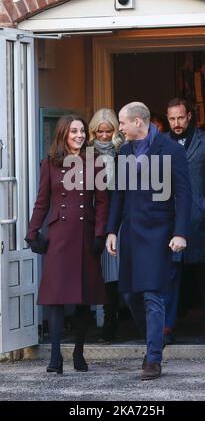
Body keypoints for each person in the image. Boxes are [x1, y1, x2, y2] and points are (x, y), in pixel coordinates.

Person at [106, 101, 191, 380]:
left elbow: (183, 194)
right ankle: (155, 341)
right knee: (130, 295)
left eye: (122, 122)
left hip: (158, 233)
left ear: (138, 122)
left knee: (153, 294)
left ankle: (153, 358)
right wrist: (111, 231)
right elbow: (118, 195)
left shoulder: (171, 150)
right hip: (130, 232)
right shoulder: (125, 151)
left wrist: (180, 232)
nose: (120, 128)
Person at [25, 115, 108, 374]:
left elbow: (103, 202)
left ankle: (79, 353)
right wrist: (32, 231)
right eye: (74, 131)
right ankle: (55, 356)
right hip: (58, 236)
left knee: (83, 297)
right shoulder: (49, 163)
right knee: (56, 297)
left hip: (85, 235)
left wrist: (99, 235)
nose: (80, 135)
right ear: (63, 134)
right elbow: (42, 200)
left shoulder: (95, 162)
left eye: (82, 131)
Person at [164, 98, 205, 342]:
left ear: (189, 116)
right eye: (172, 119)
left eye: (180, 117)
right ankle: (168, 324)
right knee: (171, 273)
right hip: (170, 218)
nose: (176, 123)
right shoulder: (161, 143)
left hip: (201, 218)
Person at [89, 108, 124, 342]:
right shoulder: (86, 153)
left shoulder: (123, 152)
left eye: (108, 130)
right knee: (100, 271)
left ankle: (114, 320)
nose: (103, 135)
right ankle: (106, 322)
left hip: (119, 215)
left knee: (118, 270)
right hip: (94, 216)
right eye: (99, 131)